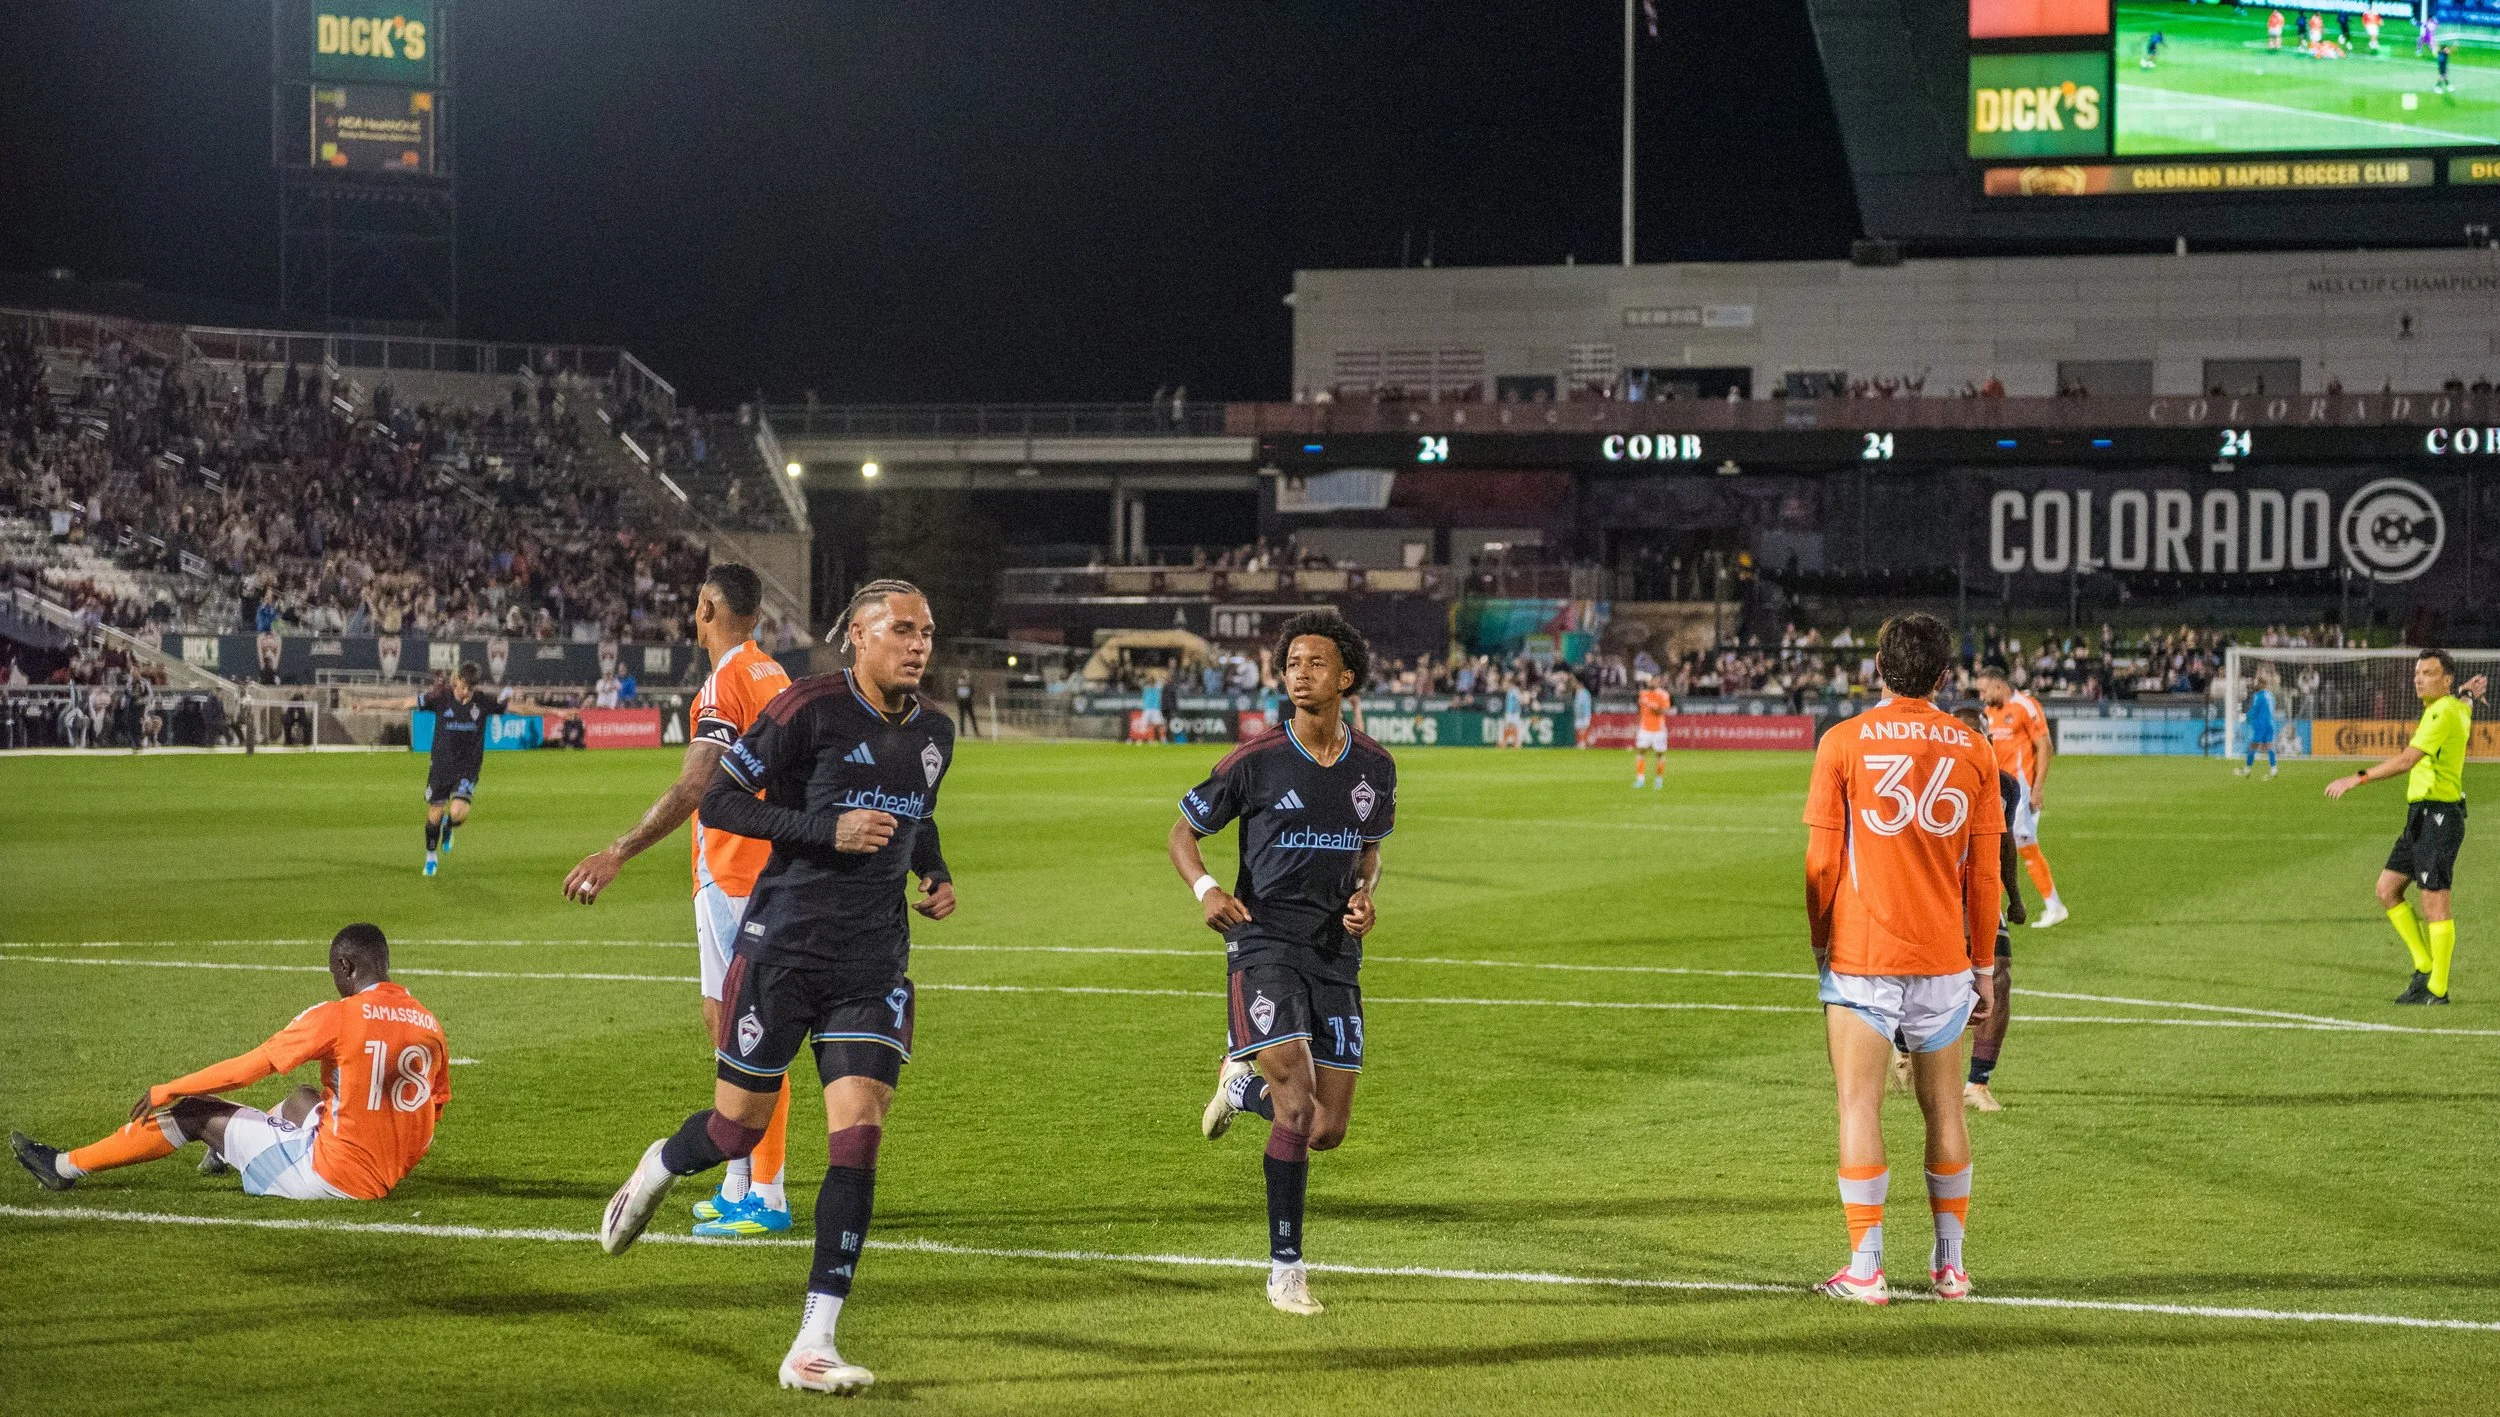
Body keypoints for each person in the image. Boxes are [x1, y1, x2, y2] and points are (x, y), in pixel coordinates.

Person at [595, 579, 957, 1395]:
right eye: (902, 629)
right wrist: (823, 829)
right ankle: (658, 1165)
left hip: (873, 963)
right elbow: (720, 800)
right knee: (733, 1129)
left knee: (857, 1134)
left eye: (927, 631)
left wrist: (933, 871)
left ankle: (814, 1341)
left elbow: (918, 810)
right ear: (858, 637)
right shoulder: (807, 710)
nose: (918, 643)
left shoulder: (936, 730)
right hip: (784, 950)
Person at [563, 564, 796, 1236]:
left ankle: (769, 1195)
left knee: (753, 1034)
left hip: (736, 871)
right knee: (726, 1024)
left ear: (705, 608)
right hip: (753, 869)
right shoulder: (772, 675)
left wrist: (620, 849)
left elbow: (698, 784)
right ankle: (737, 1177)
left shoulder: (728, 682)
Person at [1184, 609, 1394, 1317]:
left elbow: (1370, 852)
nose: (1299, 673)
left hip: (1335, 950)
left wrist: (1365, 896)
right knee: (1298, 1104)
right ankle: (1286, 1269)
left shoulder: (1374, 766)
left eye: (1315, 663)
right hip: (1263, 941)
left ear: (1347, 677)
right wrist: (1207, 886)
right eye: (1292, 663)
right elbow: (1184, 830)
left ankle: (1237, 1087)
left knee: (1327, 1128)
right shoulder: (1256, 759)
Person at [1803, 613, 2002, 1305]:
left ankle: (1867, 1267)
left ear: (1878, 667)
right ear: (1945, 676)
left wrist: (1819, 937)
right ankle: (1950, 1266)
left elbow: (1822, 860)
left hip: (1863, 953)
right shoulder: (1976, 749)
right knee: (1945, 1106)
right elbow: (1985, 877)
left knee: (1859, 1103)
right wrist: (1982, 967)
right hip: (1944, 957)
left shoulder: (1842, 742)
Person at [11, 924, 448, 1200]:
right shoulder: (428, 1021)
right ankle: (227, 1153)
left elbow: (250, 1068)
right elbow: (436, 1105)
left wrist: (173, 1086)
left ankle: (63, 1166)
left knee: (193, 1112)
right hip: (381, 1172)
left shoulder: (339, 1016)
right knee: (304, 1098)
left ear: (345, 965)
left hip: (327, 1175)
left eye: (334, 972)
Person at [2325, 651, 2487, 1004]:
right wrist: (2469, 691)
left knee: (2434, 904)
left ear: (2445, 679)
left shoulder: (2443, 712)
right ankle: (2424, 965)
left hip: (2440, 817)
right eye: (2417, 673)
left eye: (2428, 673)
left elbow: (2407, 760)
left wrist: (2358, 778)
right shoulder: (2456, 706)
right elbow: (2466, 703)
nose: (2418, 678)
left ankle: (2438, 989)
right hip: (2421, 815)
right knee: (2387, 889)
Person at [382, 663, 540, 877]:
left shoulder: (483, 701)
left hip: (467, 768)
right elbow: (404, 703)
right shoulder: (440, 697)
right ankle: (431, 857)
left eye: (470, 689)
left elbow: (517, 708)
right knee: (434, 816)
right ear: (456, 680)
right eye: (463, 687)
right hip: (440, 767)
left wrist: (556, 711)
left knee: (458, 813)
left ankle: (449, 826)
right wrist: (367, 704)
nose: (465, 692)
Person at [1953, 707, 2028, 1112]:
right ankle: (1904, 1048)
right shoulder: (1928, 774)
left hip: (1980, 891)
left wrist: (2014, 896)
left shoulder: (2005, 786)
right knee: (1915, 975)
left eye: (1979, 737)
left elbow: (2005, 842)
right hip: (1932, 889)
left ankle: (1977, 1083)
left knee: (1998, 977)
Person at [1977, 667, 2066, 928]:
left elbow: (2044, 745)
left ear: (1999, 686)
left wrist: (2038, 788)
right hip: (1995, 791)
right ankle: (2050, 906)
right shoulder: (1988, 714)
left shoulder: (2026, 706)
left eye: (1984, 690)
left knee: (2008, 848)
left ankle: (2044, 906)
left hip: (2020, 790)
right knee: (2011, 848)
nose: (1981, 696)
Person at [1632, 674, 1671, 789]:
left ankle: (1659, 779)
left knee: (1659, 753)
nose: (1653, 683)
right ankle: (1640, 779)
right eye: (1652, 681)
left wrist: (1655, 708)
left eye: (1656, 681)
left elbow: (1664, 710)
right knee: (1640, 751)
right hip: (1645, 728)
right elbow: (1640, 709)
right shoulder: (1643, 694)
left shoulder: (1663, 695)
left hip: (1658, 729)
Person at [2239, 674, 2281, 779]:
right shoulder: (2270, 695)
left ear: (2262, 684)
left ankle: (2247, 770)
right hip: (2270, 723)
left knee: (2253, 745)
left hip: (2260, 724)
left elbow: (2254, 710)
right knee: (2269, 746)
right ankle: (2274, 769)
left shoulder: (2258, 695)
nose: (2255, 684)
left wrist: (2245, 716)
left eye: (2257, 682)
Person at [1140, 673, 1168, 744]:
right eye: (1149, 680)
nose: (1150, 681)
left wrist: (1159, 677)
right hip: (1147, 708)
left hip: (1155, 708)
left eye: (1152, 679)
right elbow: (1140, 682)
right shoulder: (1146, 687)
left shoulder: (1158, 687)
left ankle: (1163, 739)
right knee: (1144, 725)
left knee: (1159, 725)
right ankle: (1144, 739)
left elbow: (1164, 681)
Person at [1572, 673, 1594, 749]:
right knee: (1578, 729)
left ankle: (1583, 743)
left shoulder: (1585, 693)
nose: (1573, 684)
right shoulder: (1578, 693)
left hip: (1584, 715)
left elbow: (1585, 705)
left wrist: (1584, 715)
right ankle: (1581, 743)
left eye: (1575, 682)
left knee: (1583, 729)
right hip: (1579, 715)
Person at [954, 669, 979, 737]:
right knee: (963, 718)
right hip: (962, 702)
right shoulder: (960, 683)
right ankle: (963, 732)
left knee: (971, 717)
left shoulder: (967, 683)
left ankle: (976, 732)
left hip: (967, 702)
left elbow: (972, 691)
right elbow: (957, 693)